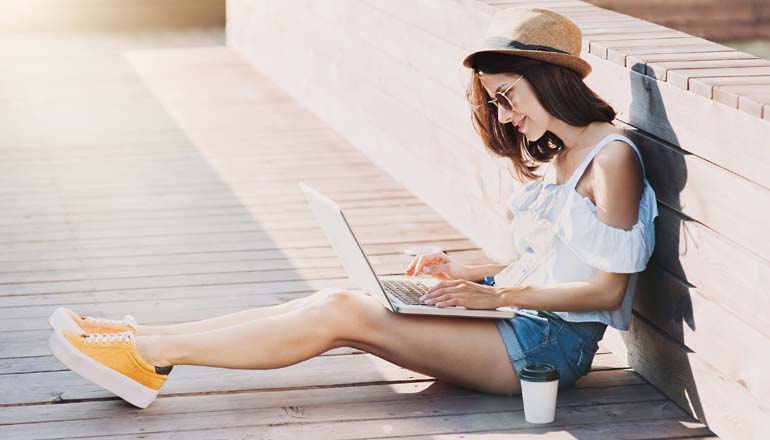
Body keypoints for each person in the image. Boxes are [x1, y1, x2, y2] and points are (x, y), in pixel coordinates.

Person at [46, 7, 658, 409]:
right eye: (495, 102)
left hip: (547, 349)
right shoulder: (564, 155)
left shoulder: (612, 159)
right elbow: (544, 262)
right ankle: (141, 340)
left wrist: (494, 298)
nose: (502, 116)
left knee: (342, 311)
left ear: (549, 79)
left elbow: (606, 292)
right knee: (331, 299)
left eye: (506, 96)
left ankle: (148, 354)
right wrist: (462, 277)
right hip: (515, 322)